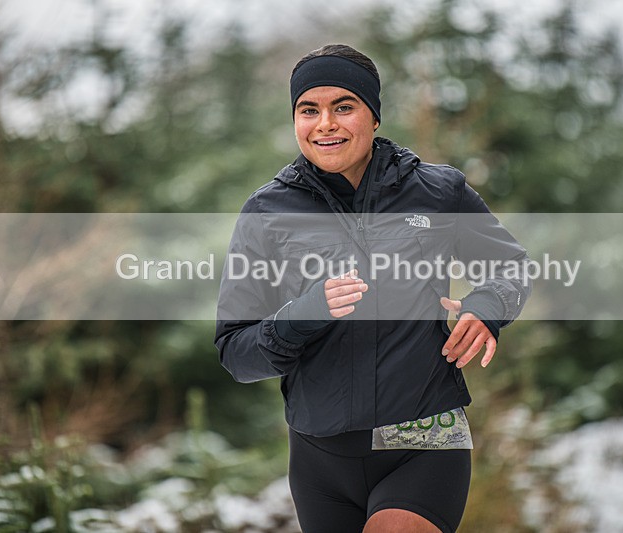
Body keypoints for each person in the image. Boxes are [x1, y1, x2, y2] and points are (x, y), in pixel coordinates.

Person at [215, 44, 530, 533]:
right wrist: (304, 313)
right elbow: (235, 351)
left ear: (374, 116)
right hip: (320, 457)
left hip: (424, 439)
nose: (326, 124)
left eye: (344, 106)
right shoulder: (266, 214)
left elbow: (511, 266)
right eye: (308, 110)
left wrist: (487, 305)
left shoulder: (438, 191)